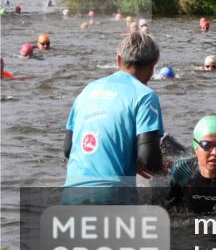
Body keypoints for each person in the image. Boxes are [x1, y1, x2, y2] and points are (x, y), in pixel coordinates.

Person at [63, 33, 164, 195]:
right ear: (153, 65)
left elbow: (68, 149)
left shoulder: (88, 89)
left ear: (118, 60)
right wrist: (161, 167)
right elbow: (148, 158)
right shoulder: (145, 96)